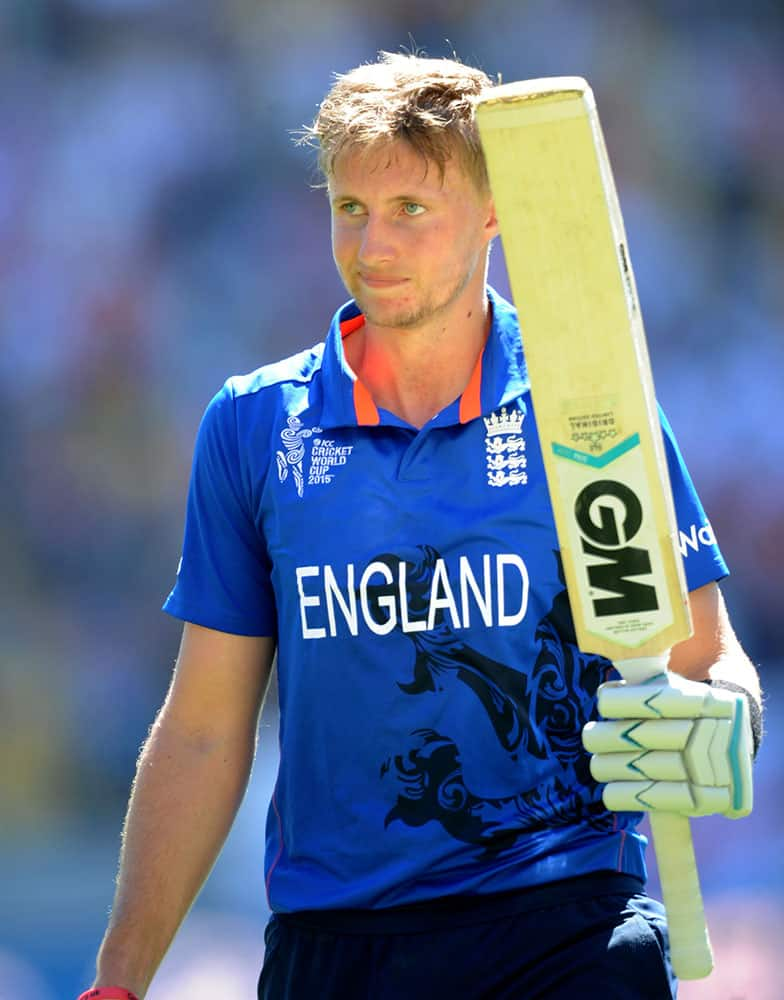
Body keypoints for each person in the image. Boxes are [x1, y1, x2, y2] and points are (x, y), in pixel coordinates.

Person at [81, 52, 763, 1000]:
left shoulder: (591, 410)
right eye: (350, 209)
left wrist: (725, 719)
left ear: (493, 213)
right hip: (335, 945)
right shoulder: (253, 425)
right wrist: (117, 983)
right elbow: (202, 730)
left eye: (411, 210)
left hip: (564, 926)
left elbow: (706, 659)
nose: (373, 247)